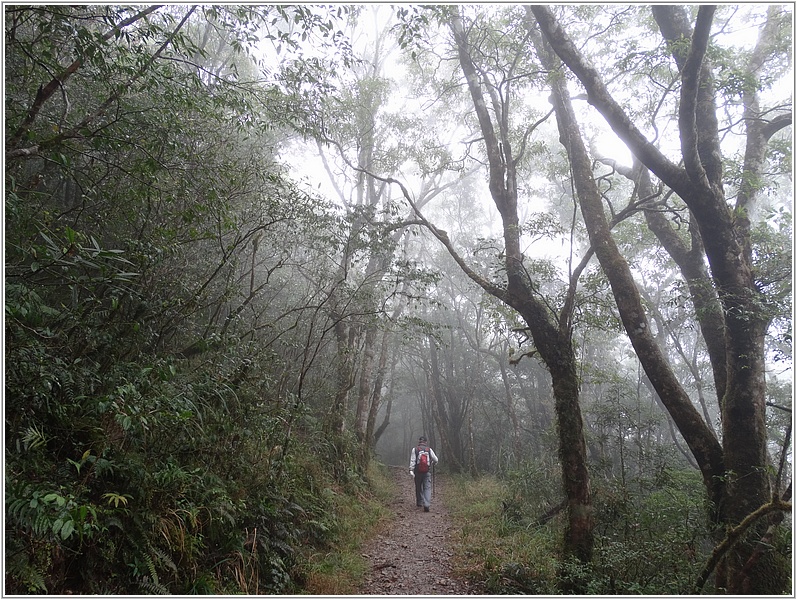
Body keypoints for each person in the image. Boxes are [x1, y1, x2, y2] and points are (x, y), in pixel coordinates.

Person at [409, 435, 438, 512]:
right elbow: (436, 459)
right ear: (426, 442)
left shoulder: (415, 449)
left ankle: (419, 502)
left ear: (419, 442)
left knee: (418, 487)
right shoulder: (429, 450)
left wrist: (411, 470)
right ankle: (427, 504)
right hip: (427, 472)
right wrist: (433, 463)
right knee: (427, 488)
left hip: (417, 472)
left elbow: (413, 461)